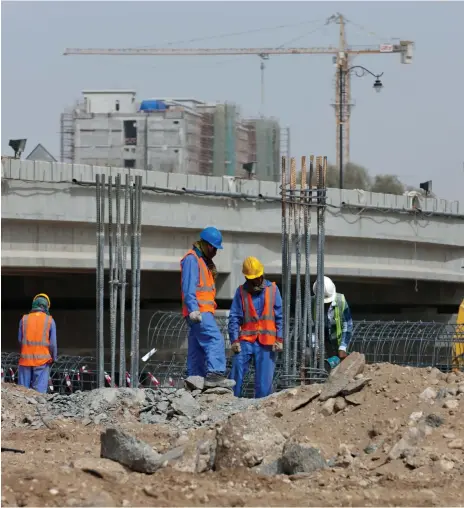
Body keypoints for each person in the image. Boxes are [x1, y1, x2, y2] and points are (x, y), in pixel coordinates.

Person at [180, 227, 235, 390]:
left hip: (201, 311)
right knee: (215, 339)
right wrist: (193, 309)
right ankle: (215, 375)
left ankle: (195, 378)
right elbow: (188, 286)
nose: (216, 251)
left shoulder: (202, 261)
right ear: (208, 245)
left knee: (196, 347)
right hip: (199, 312)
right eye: (215, 248)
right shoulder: (192, 259)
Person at [228, 257, 283, 398]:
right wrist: (234, 340)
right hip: (246, 340)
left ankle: (260, 408)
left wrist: (280, 339)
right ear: (247, 277)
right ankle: (230, 401)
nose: (257, 280)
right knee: (237, 369)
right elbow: (235, 317)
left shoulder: (273, 290)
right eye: (253, 278)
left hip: (267, 342)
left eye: (258, 277)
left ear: (262, 274)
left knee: (264, 384)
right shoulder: (241, 292)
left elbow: (279, 317)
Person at [18, 293, 57, 394]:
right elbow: (53, 344)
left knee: (22, 394)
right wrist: (54, 357)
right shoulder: (50, 320)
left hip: (25, 361)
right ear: (47, 306)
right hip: (42, 361)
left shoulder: (24, 319)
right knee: (39, 394)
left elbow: (20, 340)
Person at [311, 276, 353, 363]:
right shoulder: (312, 302)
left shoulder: (340, 300)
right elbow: (310, 327)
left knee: (336, 366)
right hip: (320, 341)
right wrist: (315, 346)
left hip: (337, 342)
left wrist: (343, 347)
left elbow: (347, 325)